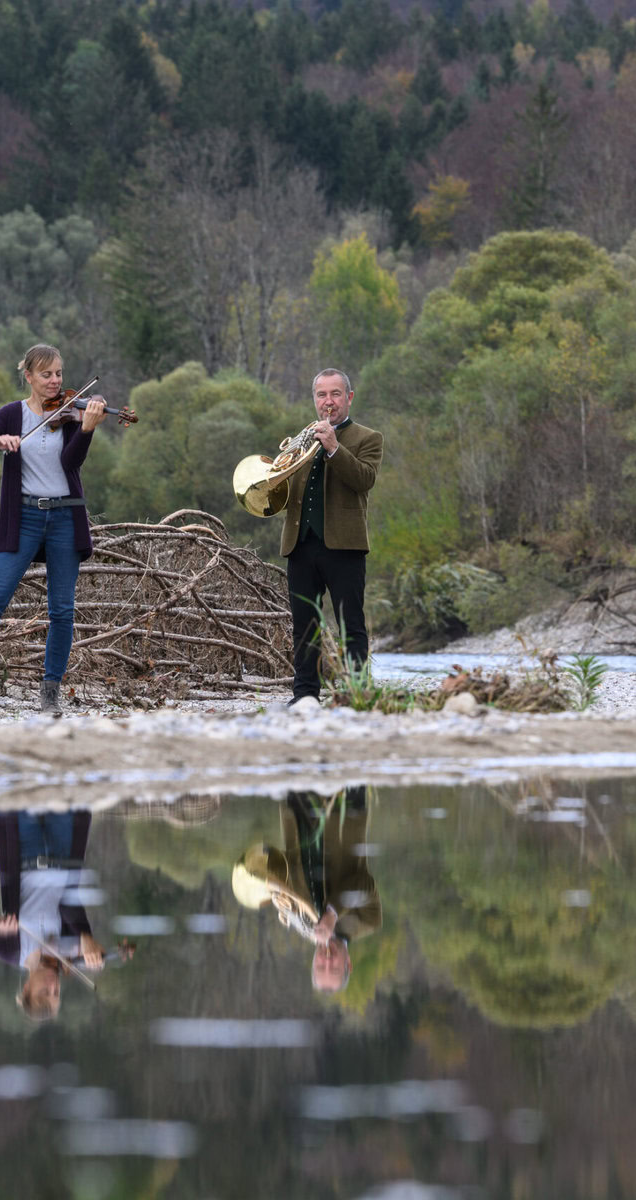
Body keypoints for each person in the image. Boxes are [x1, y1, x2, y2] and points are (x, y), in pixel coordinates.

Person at [0, 345, 107, 713]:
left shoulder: (71, 416)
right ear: (29, 376)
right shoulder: (11, 414)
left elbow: (71, 464)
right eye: (46, 375)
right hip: (23, 517)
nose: (55, 381)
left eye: (59, 374)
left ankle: (50, 692)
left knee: (62, 610)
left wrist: (86, 431)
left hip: (65, 517)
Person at [0, 810, 130, 1022]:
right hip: (64, 856)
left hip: (25, 851)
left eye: (45, 992)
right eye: (56, 994)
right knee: (66, 794)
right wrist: (91, 943)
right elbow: (69, 907)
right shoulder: (66, 955)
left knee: (21, 796)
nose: (53, 986)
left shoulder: (10, 951)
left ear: (26, 988)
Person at [281, 369, 382, 706]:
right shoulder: (301, 439)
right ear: (314, 399)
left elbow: (363, 480)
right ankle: (305, 695)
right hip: (300, 542)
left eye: (335, 394)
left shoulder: (368, 438)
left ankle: (356, 692)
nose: (328, 402)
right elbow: (284, 491)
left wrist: (334, 447)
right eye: (322, 395)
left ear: (348, 398)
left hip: (345, 545)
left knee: (350, 624)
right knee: (303, 625)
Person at [231, 788, 381, 993]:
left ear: (312, 963)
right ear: (349, 964)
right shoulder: (368, 922)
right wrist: (332, 914)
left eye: (320, 966)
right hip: (344, 807)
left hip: (298, 812)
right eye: (334, 968)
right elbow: (363, 884)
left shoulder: (304, 927)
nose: (327, 960)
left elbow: (285, 871)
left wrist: (280, 902)